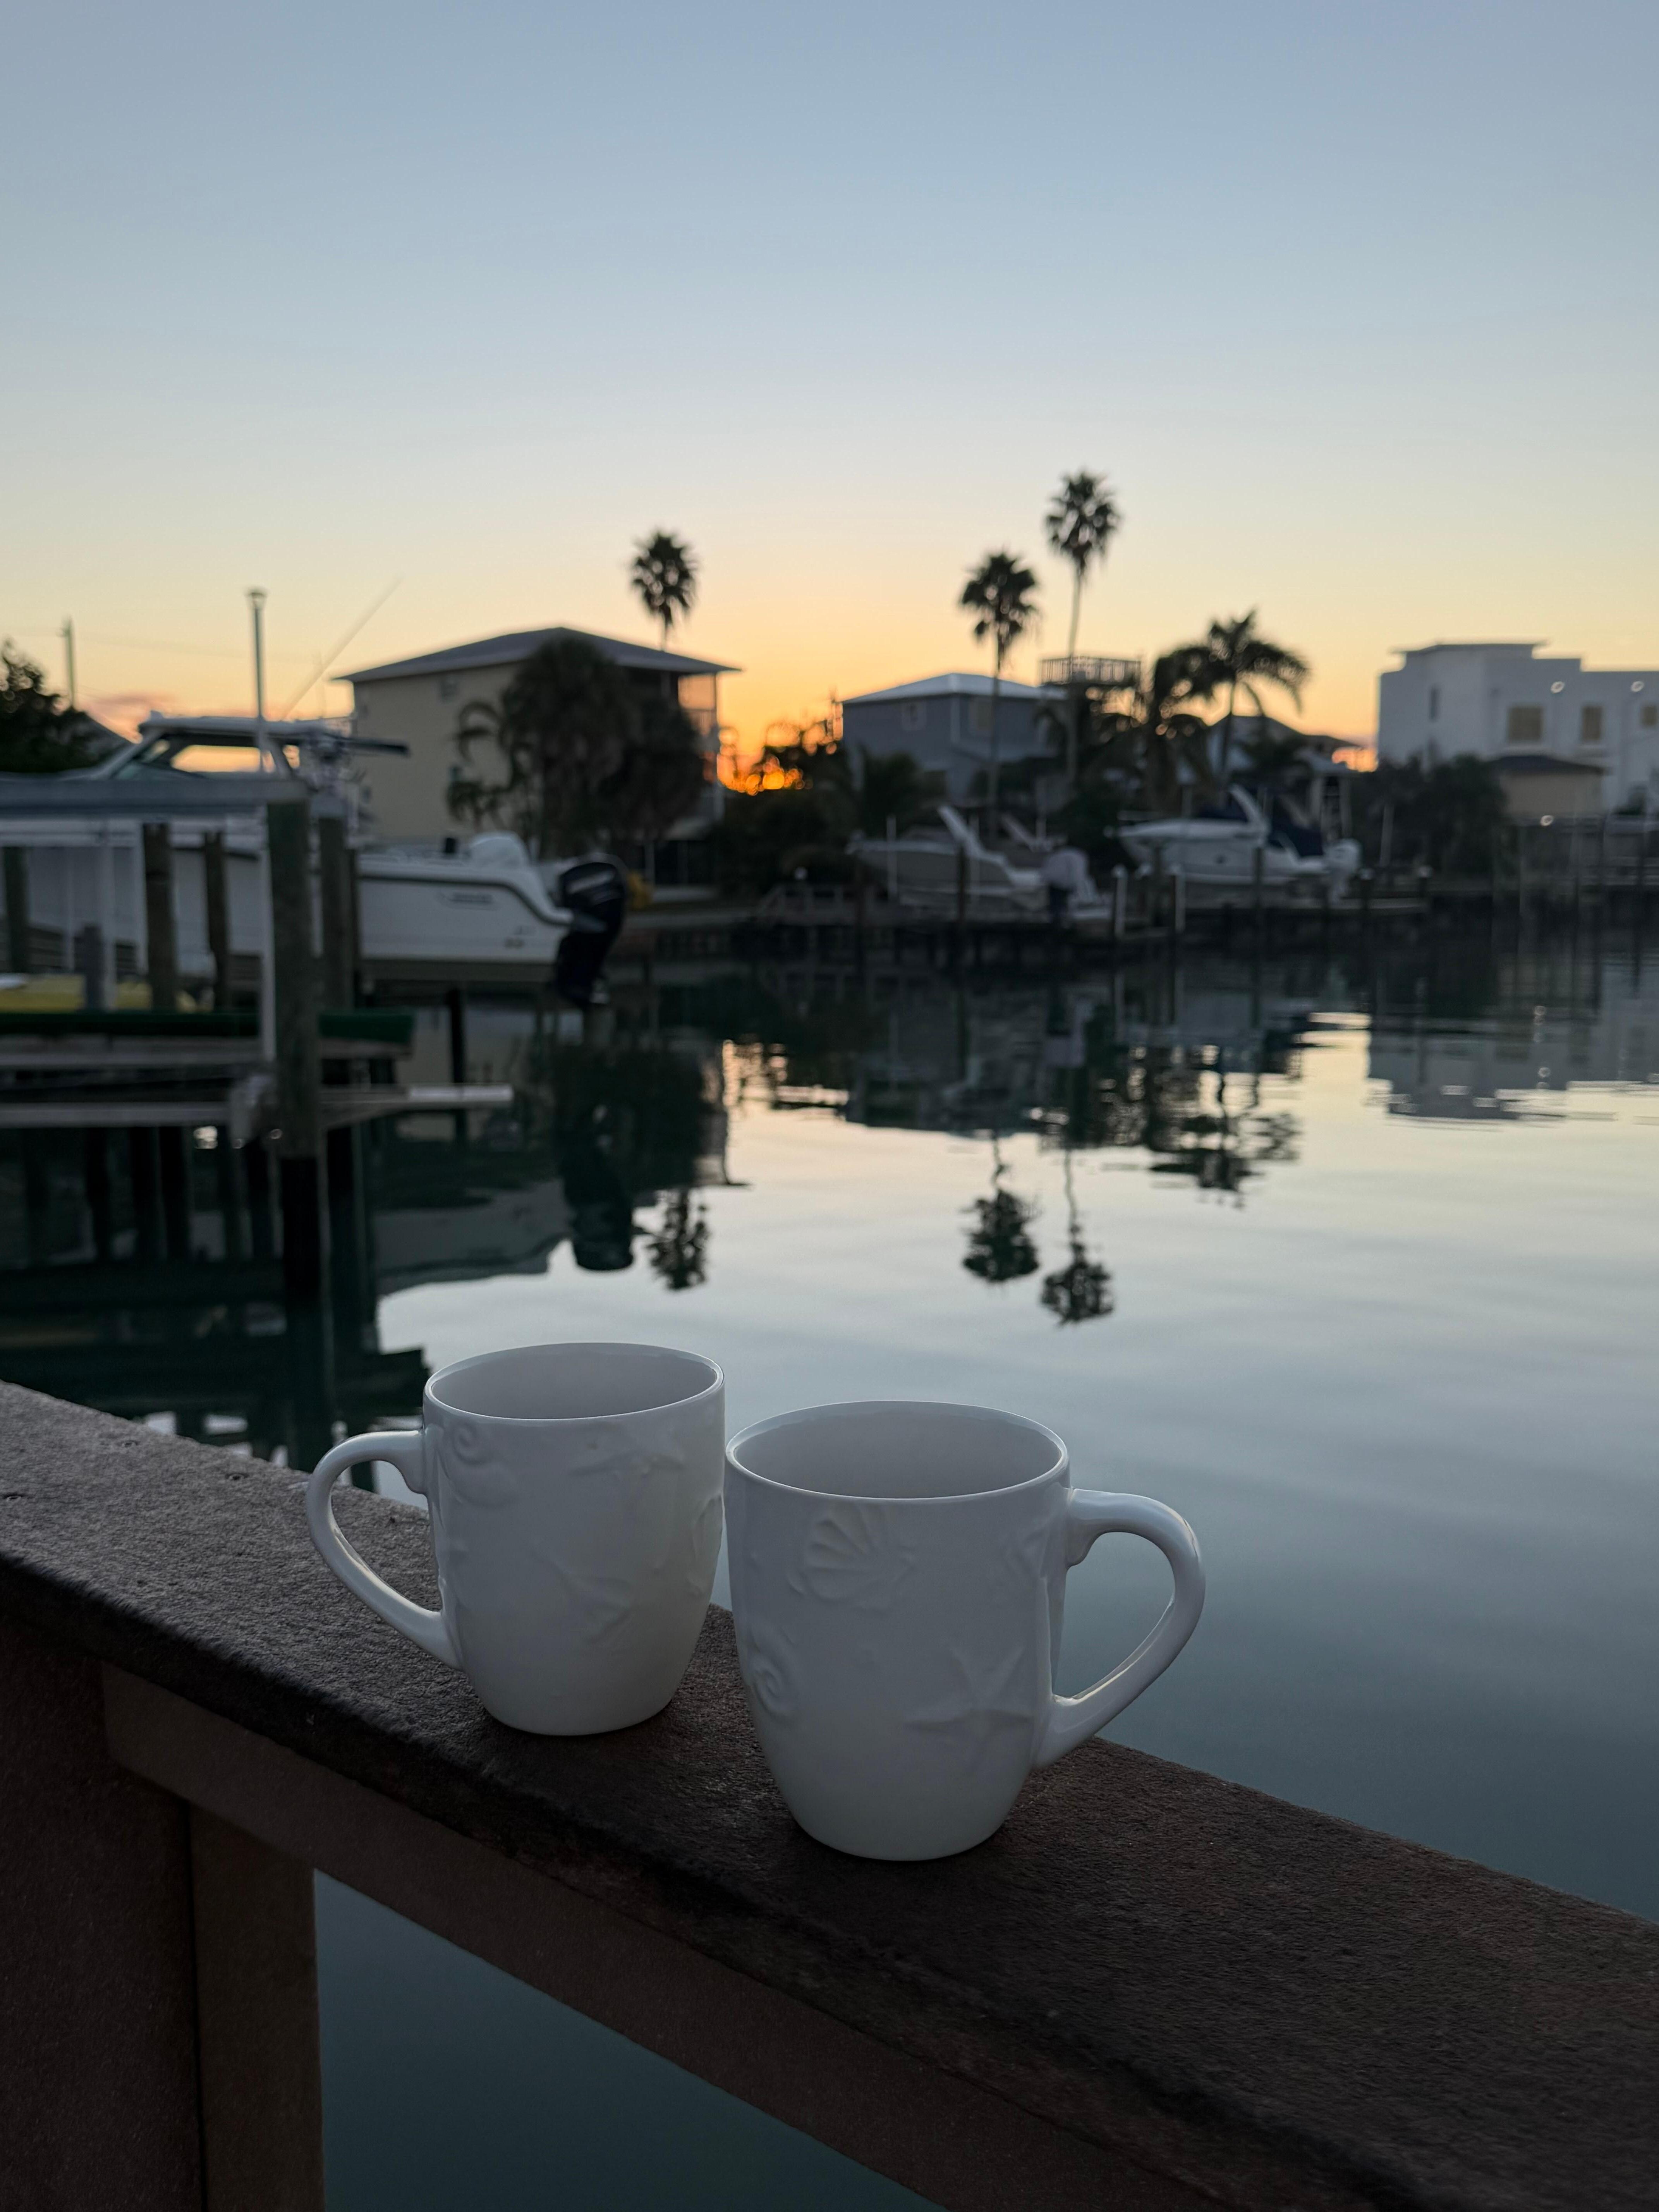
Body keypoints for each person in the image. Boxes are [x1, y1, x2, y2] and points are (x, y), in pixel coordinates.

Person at [1041, 843, 1094, 921]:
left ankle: (1056, 918)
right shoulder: (1076, 855)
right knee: (1061, 902)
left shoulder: (1056, 855)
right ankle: (1060, 918)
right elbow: (1077, 872)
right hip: (1063, 884)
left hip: (1055, 883)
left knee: (1056, 903)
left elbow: (1048, 870)